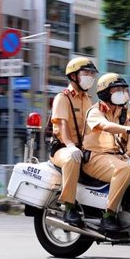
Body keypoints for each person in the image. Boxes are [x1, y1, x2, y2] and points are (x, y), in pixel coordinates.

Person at [82, 73, 130, 233]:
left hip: (114, 156)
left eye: (124, 89)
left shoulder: (121, 112)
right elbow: (105, 126)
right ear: (105, 93)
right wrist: (128, 129)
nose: (122, 93)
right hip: (94, 158)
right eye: (117, 89)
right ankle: (108, 216)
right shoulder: (95, 111)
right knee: (124, 169)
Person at [50, 57, 97, 227]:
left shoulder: (88, 99)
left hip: (83, 147)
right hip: (62, 148)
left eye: (92, 73)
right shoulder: (63, 98)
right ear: (74, 76)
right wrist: (70, 146)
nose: (90, 77)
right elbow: (62, 125)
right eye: (86, 73)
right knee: (72, 159)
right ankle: (69, 207)